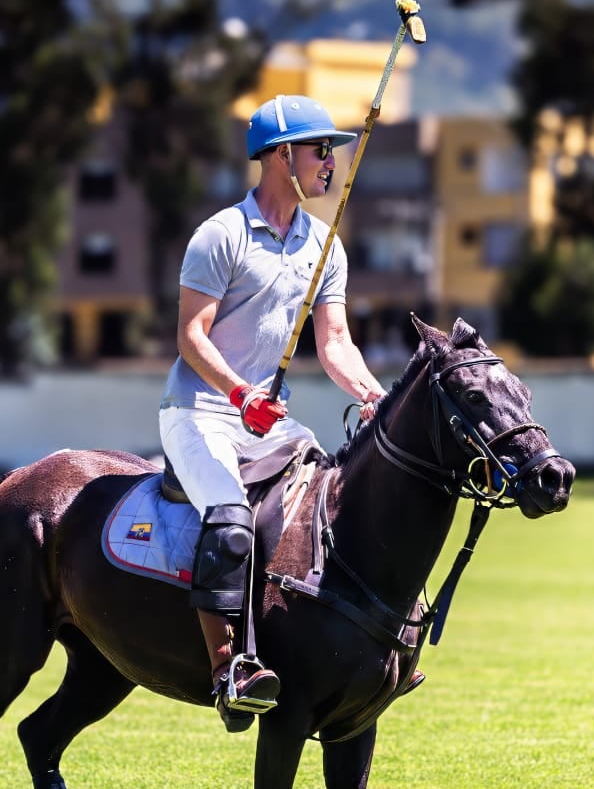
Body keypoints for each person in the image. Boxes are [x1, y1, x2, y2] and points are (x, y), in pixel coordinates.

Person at [158, 94, 388, 732]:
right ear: (282, 155)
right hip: (199, 409)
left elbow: (335, 343)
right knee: (232, 519)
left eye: (333, 152)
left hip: (267, 422)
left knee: (324, 504)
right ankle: (228, 668)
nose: (330, 164)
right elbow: (191, 336)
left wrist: (374, 396)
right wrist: (240, 393)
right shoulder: (221, 234)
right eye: (321, 150)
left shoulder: (325, 245)